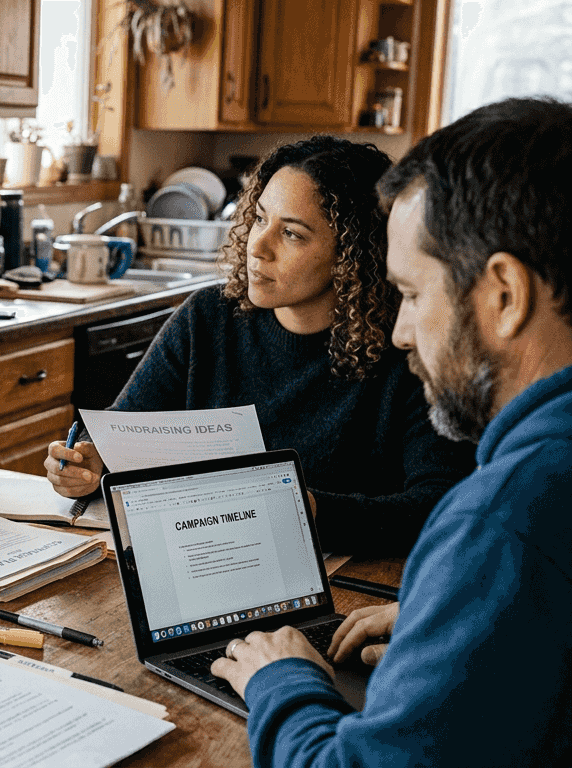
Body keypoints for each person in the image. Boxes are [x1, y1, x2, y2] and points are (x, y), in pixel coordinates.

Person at [209, 97, 572, 766]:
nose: (401, 332)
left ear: (504, 295)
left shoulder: (504, 521)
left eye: (410, 293)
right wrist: (454, 626)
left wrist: (280, 678)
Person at [46, 136, 473, 555]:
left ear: (352, 254)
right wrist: (89, 459)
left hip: (349, 582)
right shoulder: (208, 317)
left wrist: (312, 511)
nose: (258, 246)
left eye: (292, 234)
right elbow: (123, 428)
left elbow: (442, 504)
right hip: (206, 561)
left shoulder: (406, 348)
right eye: (260, 218)